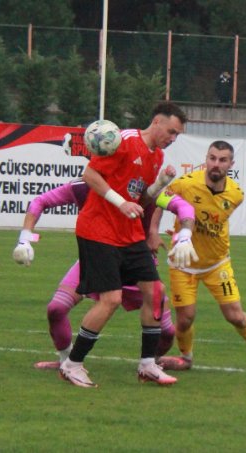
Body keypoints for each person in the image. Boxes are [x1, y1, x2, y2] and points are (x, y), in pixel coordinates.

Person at [56, 102, 188, 388]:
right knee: (111, 299)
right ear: (156, 122)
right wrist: (120, 203)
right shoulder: (123, 141)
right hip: (98, 231)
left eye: (177, 135)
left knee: (155, 292)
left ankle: (148, 365)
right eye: (171, 131)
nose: (173, 138)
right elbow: (90, 175)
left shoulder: (157, 156)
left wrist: (160, 183)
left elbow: (141, 198)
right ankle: (72, 364)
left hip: (129, 234)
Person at [13, 170, 196, 370]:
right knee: (56, 309)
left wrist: (184, 235)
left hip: (136, 264)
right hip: (97, 258)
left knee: (167, 333)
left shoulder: (142, 187)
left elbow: (183, 206)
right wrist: (25, 238)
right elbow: (40, 201)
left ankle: (151, 363)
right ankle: (66, 361)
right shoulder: (83, 186)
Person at [152, 140, 246, 375]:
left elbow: (214, 219)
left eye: (222, 160)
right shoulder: (186, 184)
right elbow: (159, 200)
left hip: (217, 263)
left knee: (236, 316)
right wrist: (153, 232)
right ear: (206, 159)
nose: (216, 164)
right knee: (185, 319)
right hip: (183, 262)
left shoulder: (236, 194)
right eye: (212, 158)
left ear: (231, 164)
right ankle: (186, 358)